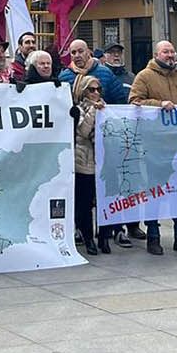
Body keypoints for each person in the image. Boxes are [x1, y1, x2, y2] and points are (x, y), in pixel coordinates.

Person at [128, 41, 177, 257]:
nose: (170, 55)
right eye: (165, 52)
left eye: (172, 52)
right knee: (155, 192)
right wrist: (159, 104)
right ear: (156, 54)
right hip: (155, 145)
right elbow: (134, 102)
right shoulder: (144, 76)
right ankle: (153, 236)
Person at [71, 74, 109, 254]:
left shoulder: (107, 108)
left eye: (98, 89)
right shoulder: (78, 109)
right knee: (85, 204)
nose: (95, 93)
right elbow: (84, 131)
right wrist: (94, 111)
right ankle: (88, 239)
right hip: (84, 162)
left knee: (104, 201)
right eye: (91, 89)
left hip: (103, 163)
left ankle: (104, 237)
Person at [58, 39, 126, 103]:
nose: (77, 55)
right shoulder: (64, 77)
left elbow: (120, 100)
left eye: (81, 51)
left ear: (88, 52)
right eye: (73, 52)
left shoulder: (105, 73)